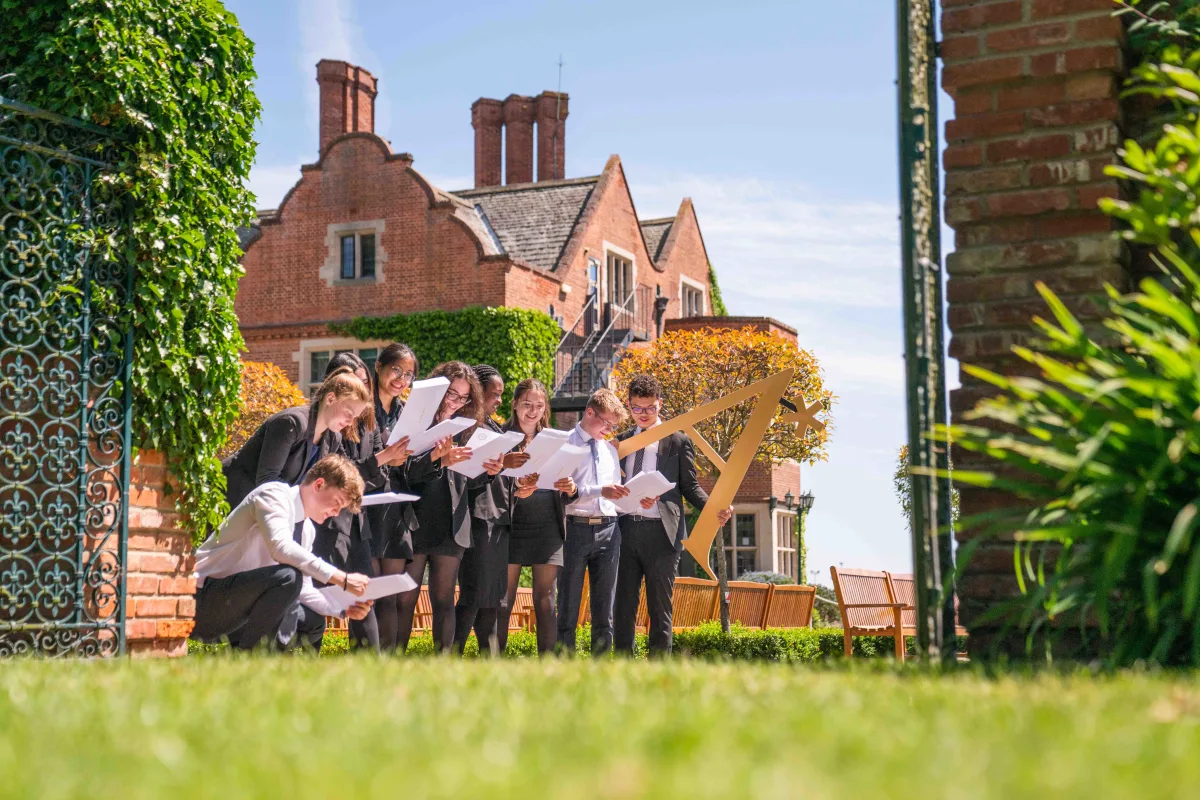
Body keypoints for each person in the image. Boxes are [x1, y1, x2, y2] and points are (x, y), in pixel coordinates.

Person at [190, 455, 373, 651]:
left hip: (239, 608)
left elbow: (303, 589)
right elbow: (280, 547)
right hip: (202, 600)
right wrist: (341, 578)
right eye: (337, 502)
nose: (336, 512)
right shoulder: (273, 495)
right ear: (319, 485)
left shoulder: (307, 530)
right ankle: (252, 658)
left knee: (312, 622)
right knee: (288, 577)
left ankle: (255, 656)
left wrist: (343, 610)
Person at [613, 374, 732, 657]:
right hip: (624, 530)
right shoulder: (618, 444)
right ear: (629, 406)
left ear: (660, 405)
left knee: (660, 605)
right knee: (623, 604)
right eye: (637, 408)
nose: (644, 414)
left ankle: (659, 667)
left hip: (663, 534)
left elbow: (689, 486)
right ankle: (620, 666)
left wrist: (715, 507)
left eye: (650, 408)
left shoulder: (677, 441)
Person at [309, 352, 411, 652]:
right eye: (354, 382)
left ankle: (368, 666)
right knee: (315, 595)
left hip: (357, 523)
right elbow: (340, 471)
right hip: (325, 522)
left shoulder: (368, 424)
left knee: (363, 598)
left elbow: (374, 476)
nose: (361, 390)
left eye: (365, 383)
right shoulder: (328, 424)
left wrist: (389, 459)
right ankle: (305, 657)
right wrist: (381, 459)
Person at [393, 361, 485, 654]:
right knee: (405, 599)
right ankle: (394, 661)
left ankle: (443, 663)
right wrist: (437, 457)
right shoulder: (417, 421)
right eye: (451, 395)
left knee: (444, 600)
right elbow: (403, 471)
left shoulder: (466, 429)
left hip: (451, 523)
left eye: (462, 398)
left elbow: (469, 484)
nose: (456, 402)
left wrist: (490, 470)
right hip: (417, 520)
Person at [497, 378, 574, 656]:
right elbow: (491, 481)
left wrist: (570, 487)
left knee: (546, 600)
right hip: (511, 525)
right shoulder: (501, 437)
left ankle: (548, 664)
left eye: (539, 406)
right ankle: (495, 660)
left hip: (548, 525)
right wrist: (516, 489)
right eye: (527, 404)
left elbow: (565, 480)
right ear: (515, 404)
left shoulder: (555, 439)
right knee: (503, 601)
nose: (533, 411)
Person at [221, 367, 372, 509]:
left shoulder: (333, 438)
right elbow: (267, 480)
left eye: (355, 417)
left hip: (264, 509)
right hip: (230, 500)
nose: (350, 422)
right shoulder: (291, 423)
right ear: (330, 399)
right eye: (348, 413)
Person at [555, 388, 627, 657]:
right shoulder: (566, 443)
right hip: (575, 529)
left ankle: (601, 667)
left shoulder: (610, 449)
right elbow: (563, 491)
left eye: (613, 425)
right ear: (589, 412)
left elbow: (614, 490)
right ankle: (564, 665)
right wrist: (600, 491)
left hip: (610, 530)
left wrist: (630, 497)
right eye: (606, 423)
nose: (609, 430)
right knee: (568, 605)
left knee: (604, 609)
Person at [453, 365, 514, 657]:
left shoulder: (492, 425)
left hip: (499, 519)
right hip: (479, 518)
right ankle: (452, 654)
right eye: (495, 394)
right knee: (475, 595)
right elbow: (463, 476)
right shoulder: (466, 427)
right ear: (479, 393)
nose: (499, 400)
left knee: (492, 598)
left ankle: (489, 660)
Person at [366, 343, 422, 652]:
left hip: (397, 509)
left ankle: (389, 662)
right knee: (367, 592)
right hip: (366, 507)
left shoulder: (407, 413)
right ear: (379, 367)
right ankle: (363, 658)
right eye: (396, 370)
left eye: (409, 374)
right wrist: (388, 457)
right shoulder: (363, 408)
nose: (401, 379)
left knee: (391, 594)